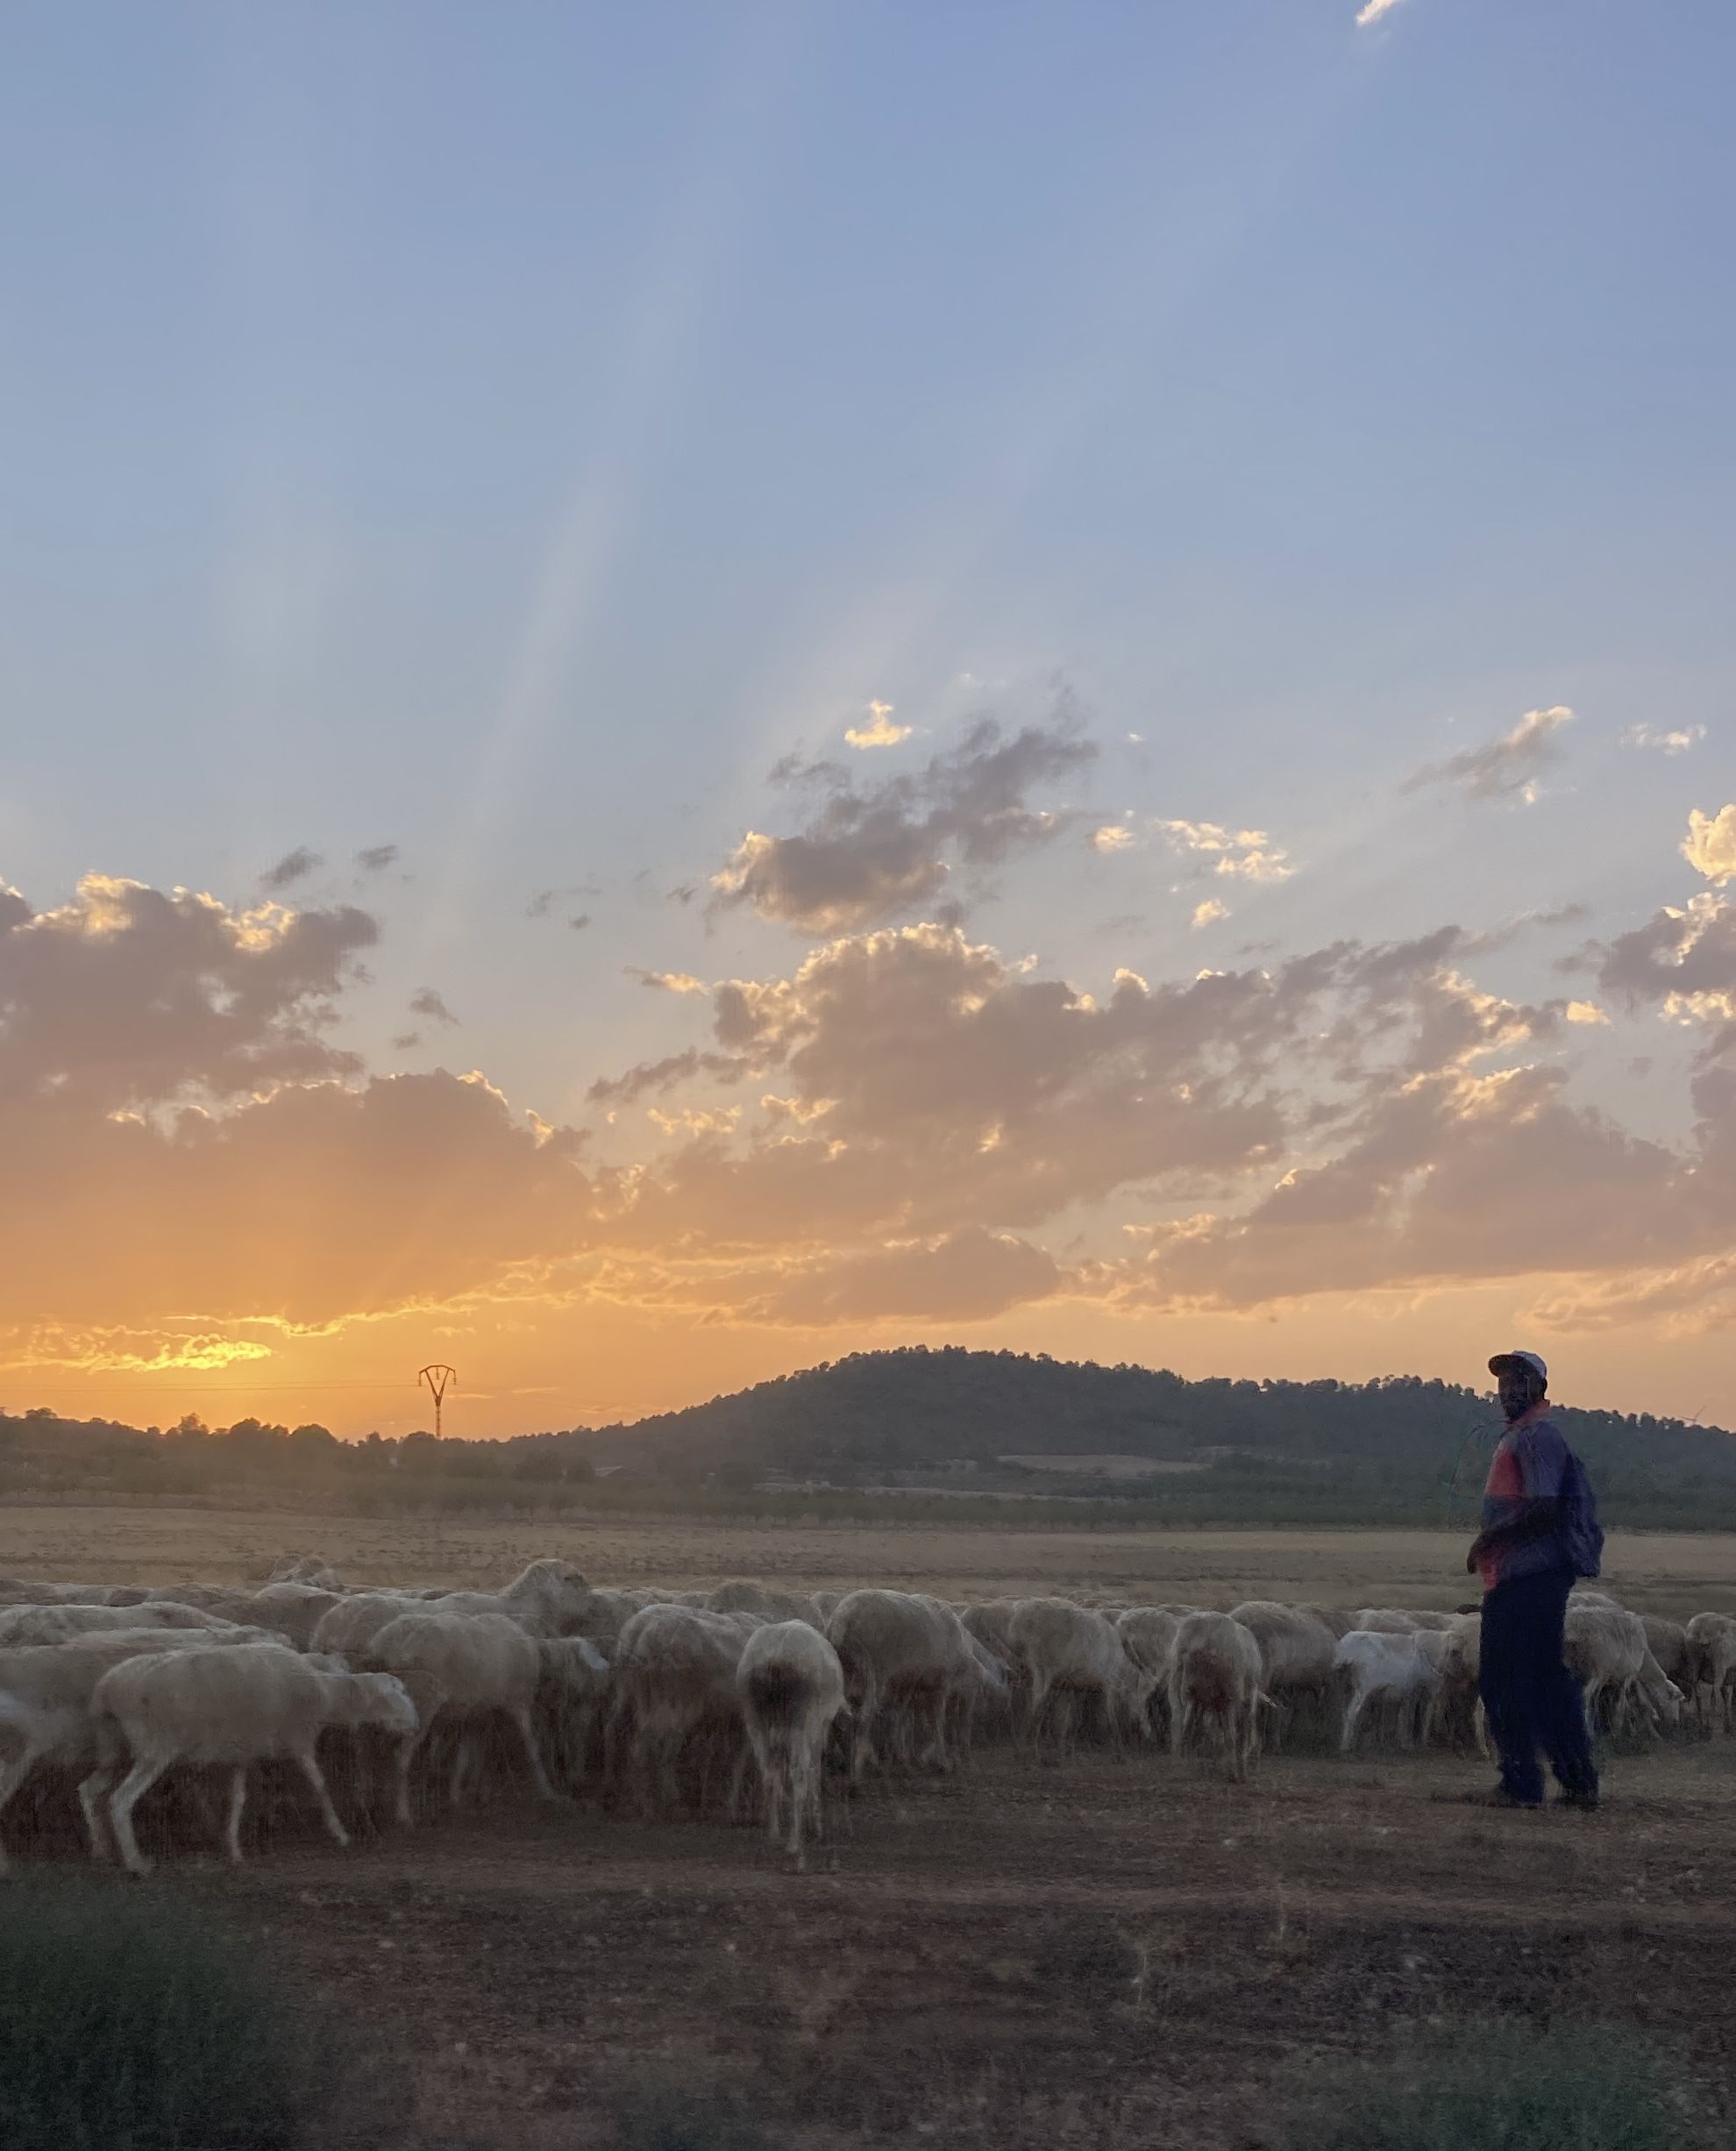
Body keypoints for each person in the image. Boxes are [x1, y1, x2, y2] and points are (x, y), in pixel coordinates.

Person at [1462, 1350, 1602, 1811]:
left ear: (1541, 1388)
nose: (1510, 1390)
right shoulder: (1523, 1436)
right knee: (1539, 1676)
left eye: (1521, 1381)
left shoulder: (1539, 1436)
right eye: (1504, 1383)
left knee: (1507, 1677)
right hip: (1521, 1573)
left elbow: (1544, 1506)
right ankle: (1573, 1780)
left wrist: (1487, 1540)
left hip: (1530, 1573)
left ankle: (1523, 1782)